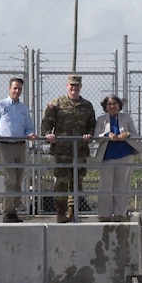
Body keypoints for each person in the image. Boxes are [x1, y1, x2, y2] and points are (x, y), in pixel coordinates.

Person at [41, 75, 96, 223]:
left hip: (80, 150)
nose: (74, 88)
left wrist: (89, 134)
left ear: (80, 87)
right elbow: (47, 123)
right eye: (72, 85)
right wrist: (48, 135)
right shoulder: (56, 104)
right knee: (61, 182)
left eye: (77, 86)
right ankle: (60, 212)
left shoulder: (87, 105)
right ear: (67, 86)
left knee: (77, 182)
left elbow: (92, 124)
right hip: (62, 150)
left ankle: (73, 211)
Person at [0, 77, 37, 223]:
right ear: (9, 89)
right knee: (10, 179)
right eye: (15, 88)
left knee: (19, 180)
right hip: (5, 145)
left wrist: (30, 134)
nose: (17, 91)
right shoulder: (0, 105)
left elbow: (29, 127)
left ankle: (13, 211)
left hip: (20, 145)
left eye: (19, 89)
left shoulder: (23, 109)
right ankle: (6, 212)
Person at [93, 95, 142, 222]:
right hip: (107, 156)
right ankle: (104, 214)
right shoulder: (101, 120)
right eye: (109, 104)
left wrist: (127, 134)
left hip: (124, 155)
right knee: (106, 186)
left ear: (119, 105)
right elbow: (96, 137)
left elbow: (134, 134)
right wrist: (107, 135)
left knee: (122, 186)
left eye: (115, 103)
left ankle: (121, 213)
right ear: (105, 106)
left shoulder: (126, 118)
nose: (112, 106)